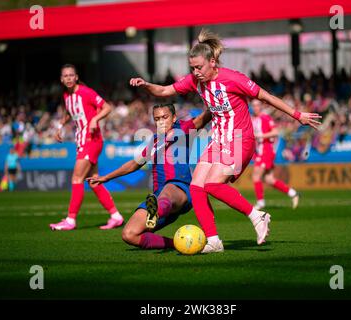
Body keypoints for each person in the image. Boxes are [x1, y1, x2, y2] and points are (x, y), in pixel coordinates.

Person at [129, 29, 321, 253]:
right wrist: (146, 84)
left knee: (212, 184)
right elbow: (164, 90)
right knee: (197, 187)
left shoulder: (233, 78)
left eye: (199, 67)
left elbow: (266, 97)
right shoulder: (195, 81)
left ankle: (257, 215)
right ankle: (213, 240)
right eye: (192, 68)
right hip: (217, 140)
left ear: (212, 62)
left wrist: (298, 116)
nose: (196, 72)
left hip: (240, 139)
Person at [87, 103, 212, 250]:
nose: (161, 121)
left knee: (167, 191)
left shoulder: (183, 128)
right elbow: (135, 164)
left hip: (180, 188)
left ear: (173, 118)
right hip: (158, 196)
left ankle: (157, 211)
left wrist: (216, 96)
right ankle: (176, 243)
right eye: (157, 118)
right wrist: (106, 178)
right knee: (129, 234)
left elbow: (204, 117)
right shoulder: (154, 141)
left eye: (165, 117)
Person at [49, 64, 124, 231]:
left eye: (71, 75)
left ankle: (70, 220)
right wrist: (60, 126)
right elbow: (69, 112)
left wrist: (95, 119)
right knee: (93, 181)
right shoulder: (67, 96)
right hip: (82, 140)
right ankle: (116, 216)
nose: (68, 78)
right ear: (62, 79)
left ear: (76, 77)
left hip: (91, 140)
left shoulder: (85, 92)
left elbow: (107, 107)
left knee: (77, 178)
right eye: (65, 76)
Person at [250, 98, 299, 210]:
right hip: (260, 151)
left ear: (261, 106)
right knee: (269, 179)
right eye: (253, 106)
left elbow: (275, 132)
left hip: (266, 150)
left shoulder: (265, 118)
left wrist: (260, 136)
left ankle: (261, 202)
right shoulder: (254, 119)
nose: (255, 108)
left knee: (256, 175)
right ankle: (293, 193)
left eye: (257, 105)